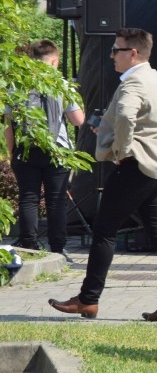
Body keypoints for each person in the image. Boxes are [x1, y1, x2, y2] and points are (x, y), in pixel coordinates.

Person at [48, 28, 157, 321]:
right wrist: (110, 132)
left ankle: (88, 299)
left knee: (104, 231)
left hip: (136, 166)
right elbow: (139, 120)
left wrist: (120, 150)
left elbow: (125, 115)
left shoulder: (132, 83)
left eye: (116, 50)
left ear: (133, 53)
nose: (111, 56)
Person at [5, 40, 85, 254]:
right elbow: (77, 120)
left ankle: (28, 243)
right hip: (57, 150)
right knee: (56, 200)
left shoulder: (17, 85)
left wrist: (12, 151)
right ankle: (57, 248)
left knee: (28, 197)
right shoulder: (63, 84)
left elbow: (8, 124)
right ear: (54, 60)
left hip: (26, 149)